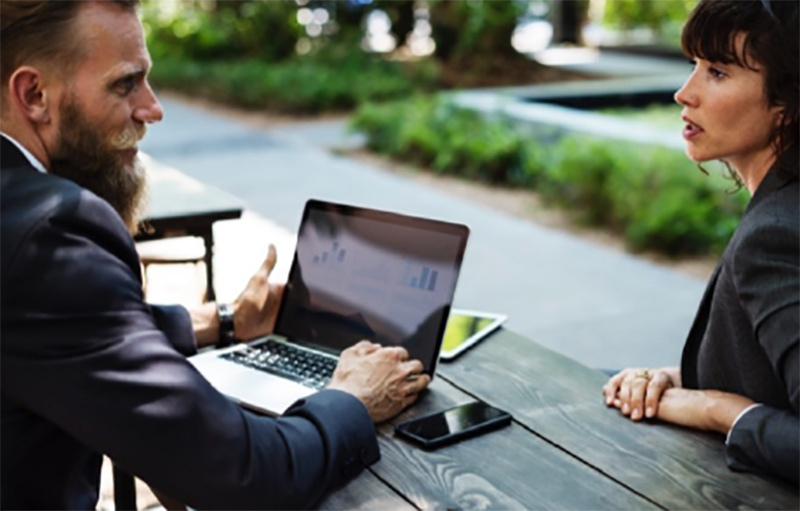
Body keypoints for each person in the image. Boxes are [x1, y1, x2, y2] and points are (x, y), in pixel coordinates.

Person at [0, 1, 430, 509]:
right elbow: (243, 475)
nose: (152, 108)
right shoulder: (52, 230)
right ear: (34, 94)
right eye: (125, 84)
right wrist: (350, 399)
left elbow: (57, 332)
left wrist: (224, 321)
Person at [602, 0, 799, 485]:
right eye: (693, 66)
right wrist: (678, 378)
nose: (683, 93)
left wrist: (716, 409)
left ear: (787, 104)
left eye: (717, 72)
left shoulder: (774, 237)